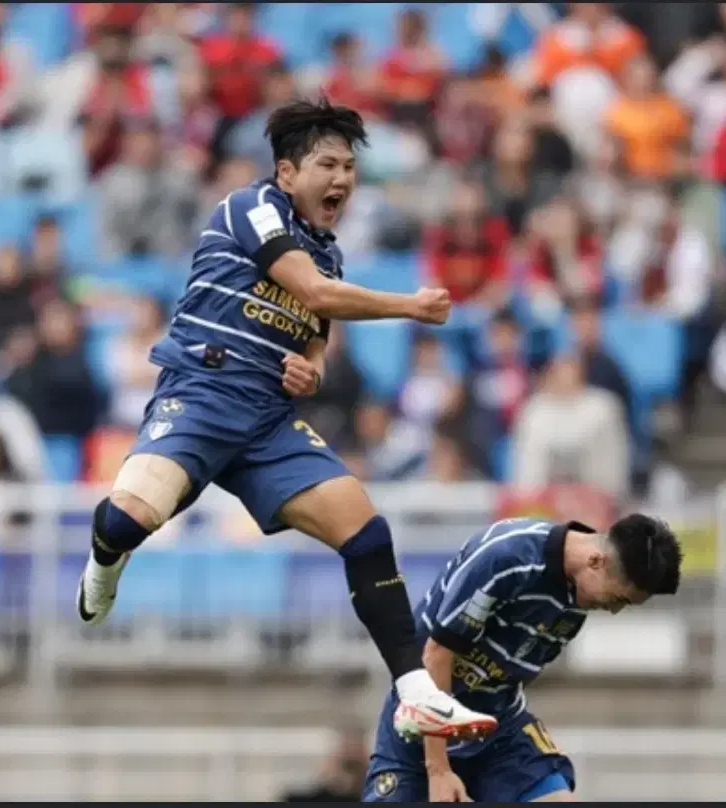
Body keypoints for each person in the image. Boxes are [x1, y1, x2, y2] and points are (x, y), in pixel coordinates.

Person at [76, 98, 497, 742]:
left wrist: (314, 370)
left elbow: (315, 334)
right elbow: (314, 294)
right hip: (203, 391)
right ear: (286, 172)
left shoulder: (328, 253)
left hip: (269, 420)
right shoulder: (250, 208)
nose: (343, 180)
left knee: (365, 531)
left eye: (351, 168)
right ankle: (105, 561)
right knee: (129, 519)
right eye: (328, 163)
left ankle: (415, 692)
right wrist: (410, 307)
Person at [362, 514, 682, 802]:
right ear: (596, 561)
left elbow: (506, 676)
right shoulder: (505, 558)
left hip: (499, 733)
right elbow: (436, 655)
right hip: (422, 733)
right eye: (617, 599)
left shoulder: (575, 606)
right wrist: (438, 770)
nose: (614, 610)